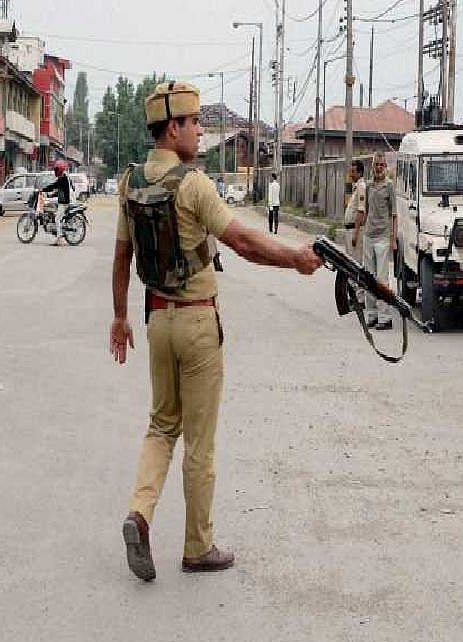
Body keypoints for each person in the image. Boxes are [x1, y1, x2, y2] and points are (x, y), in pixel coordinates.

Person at [110, 81, 322, 582]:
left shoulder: (129, 182)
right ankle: (197, 546)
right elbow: (244, 243)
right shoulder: (193, 184)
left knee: (162, 426)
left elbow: (122, 257)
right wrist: (296, 259)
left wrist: (119, 317)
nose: (202, 131)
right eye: (195, 122)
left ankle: (139, 512)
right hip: (198, 322)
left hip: (157, 319)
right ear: (173, 128)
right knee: (199, 442)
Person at [352, 154, 396, 330]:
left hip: (383, 238)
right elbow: (365, 212)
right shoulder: (369, 186)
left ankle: (385, 317)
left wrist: (393, 239)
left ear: (385, 166)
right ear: (372, 166)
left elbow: (394, 215)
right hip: (369, 236)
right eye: (376, 165)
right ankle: (372, 315)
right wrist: (358, 232)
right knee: (368, 277)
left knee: (382, 278)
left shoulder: (389, 186)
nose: (379, 168)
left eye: (381, 165)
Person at [42, 159, 72, 246]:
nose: (55, 171)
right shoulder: (63, 177)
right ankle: (57, 235)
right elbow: (59, 190)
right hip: (62, 201)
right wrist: (51, 195)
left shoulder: (63, 178)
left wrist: (43, 189)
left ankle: (60, 238)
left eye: (56, 169)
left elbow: (54, 185)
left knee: (57, 219)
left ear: (60, 169)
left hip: (64, 203)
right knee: (52, 209)